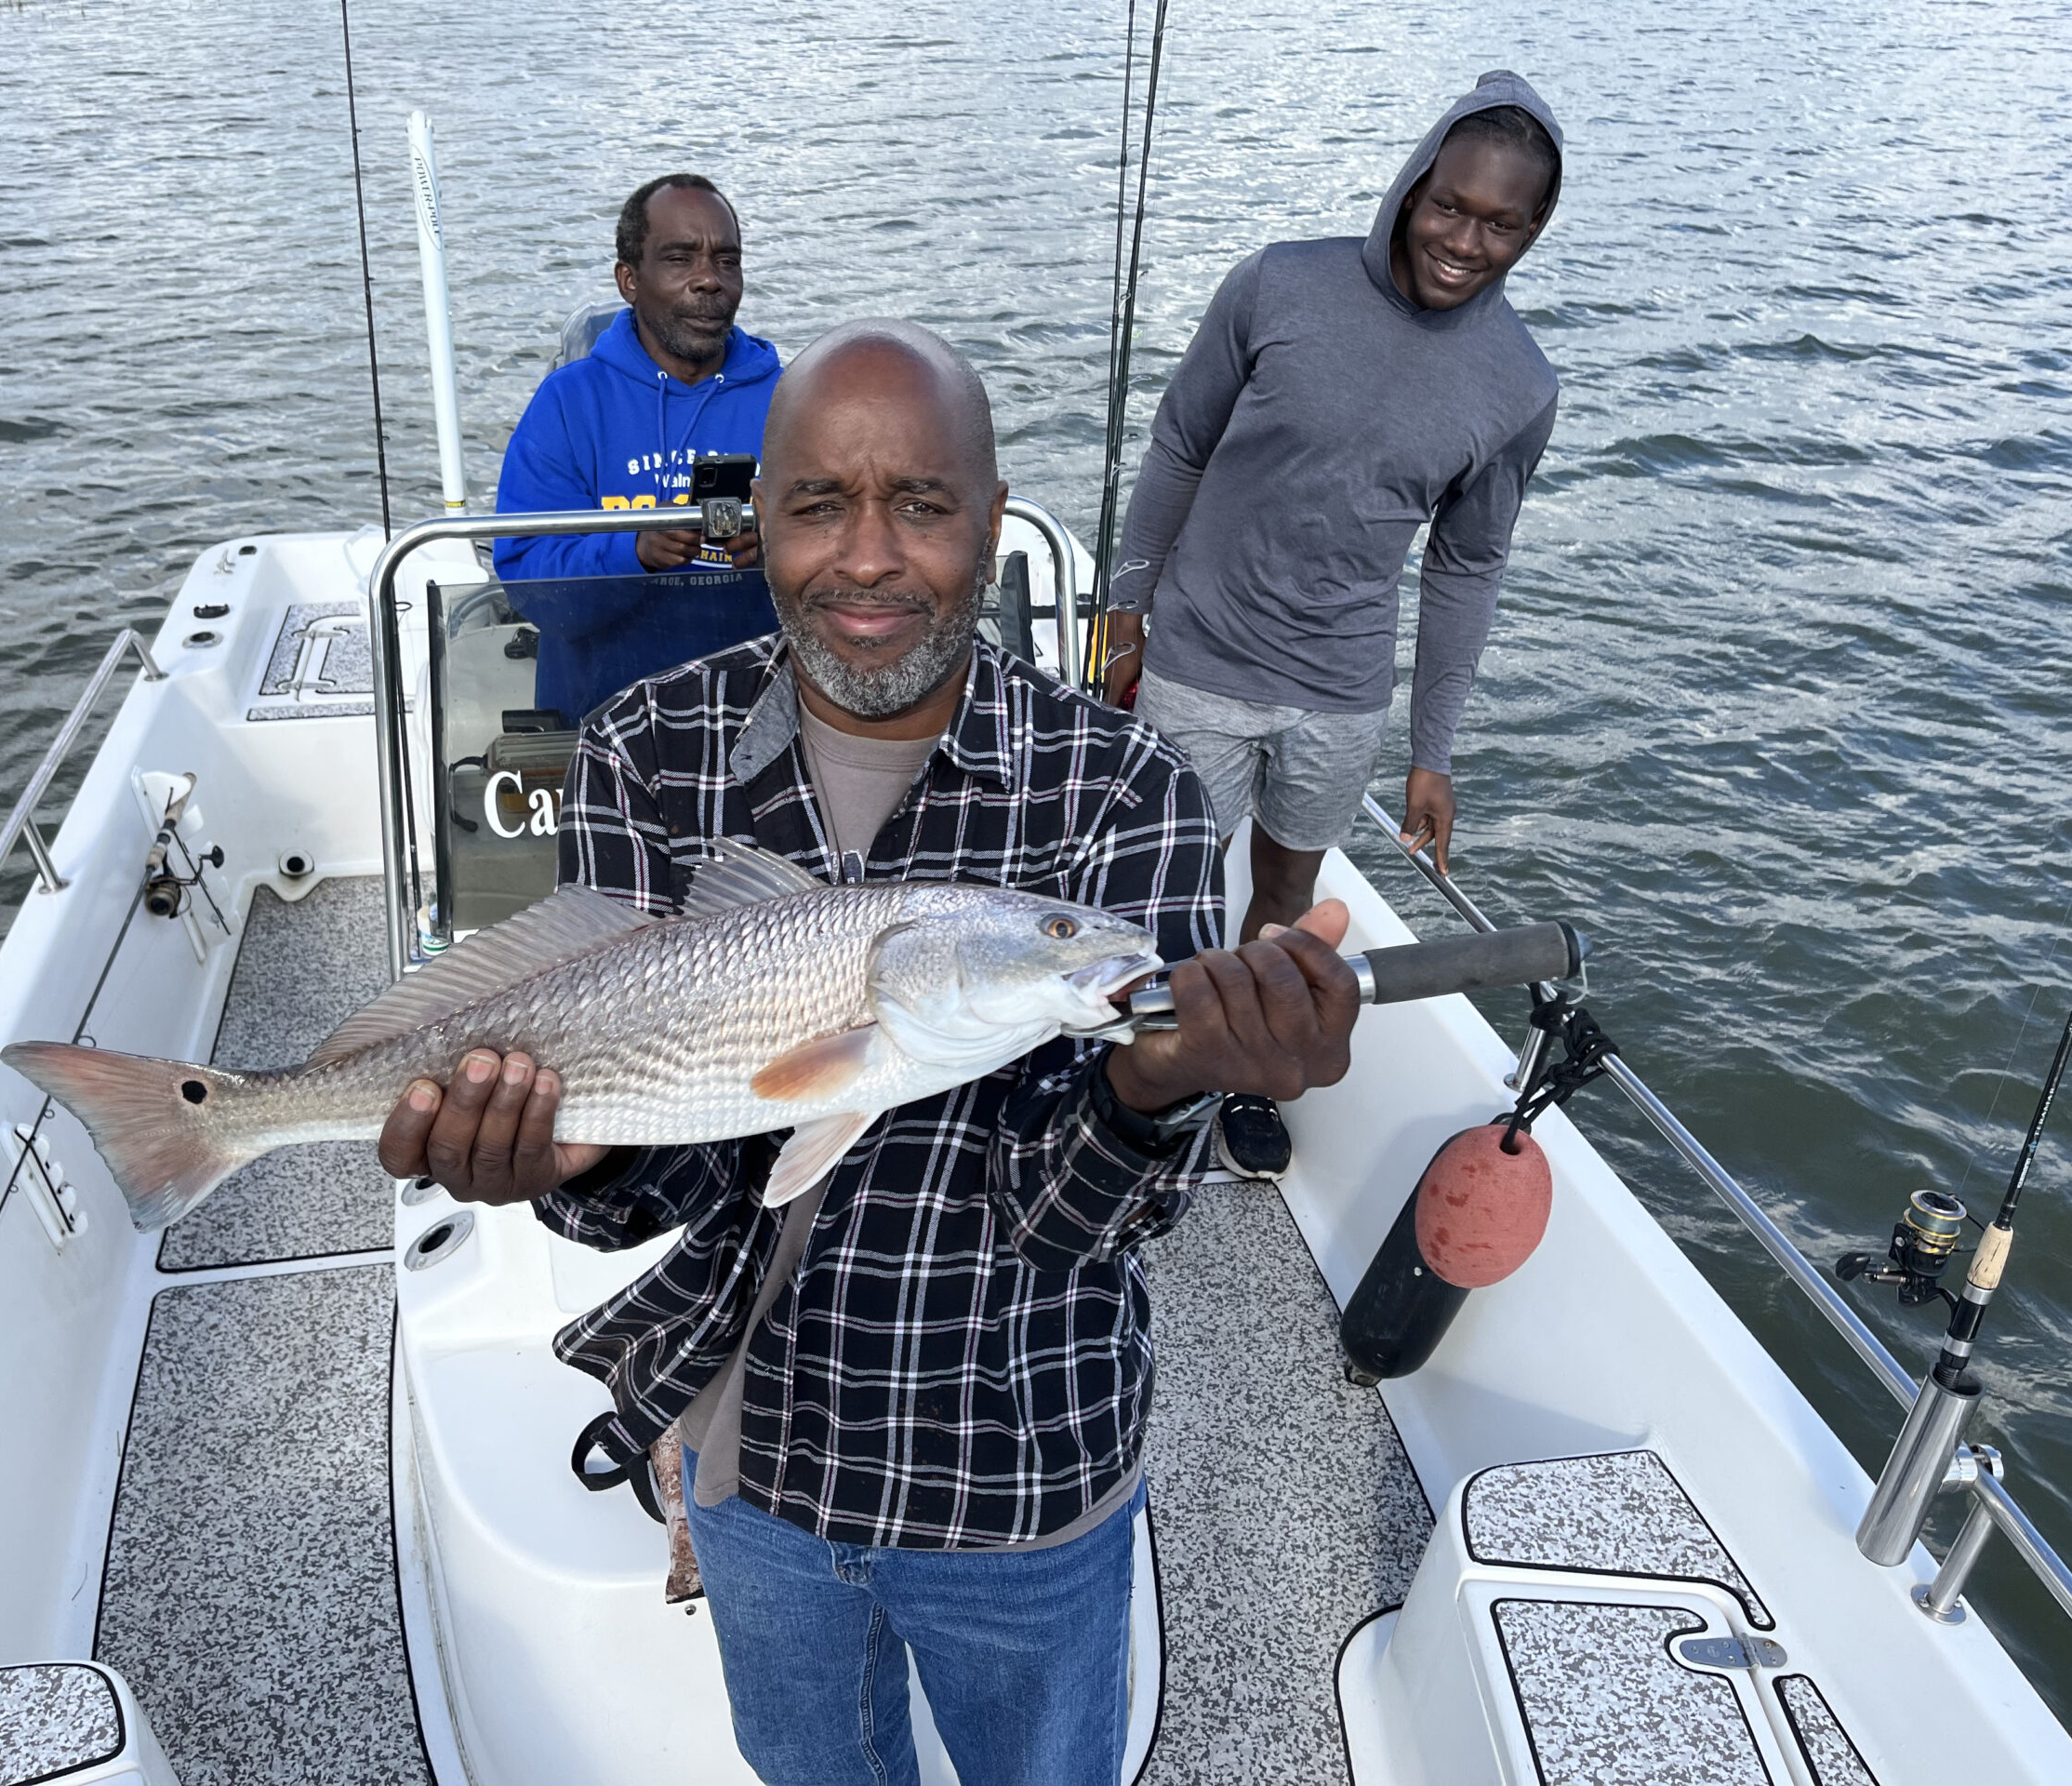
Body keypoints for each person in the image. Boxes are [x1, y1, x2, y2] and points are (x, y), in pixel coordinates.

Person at [380, 321, 1361, 1785]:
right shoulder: (652, 748)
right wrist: (551, 1165)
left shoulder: (1123, 788)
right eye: (818, 505)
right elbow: (638, 1191)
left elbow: (1082, 1222)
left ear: (990, 515)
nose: (869, 560)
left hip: (1017, 1465)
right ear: (757, 521)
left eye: (923, 504)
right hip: (746, 1455)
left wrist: (1163, 1082)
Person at [1099, 71, 1564, 1184]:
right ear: (1412, 188)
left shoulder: (1521, 385)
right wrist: (1124, 608)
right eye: (1449, 205)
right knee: (1160, 889)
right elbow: (1177, 446)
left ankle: (1241, 1079)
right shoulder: (1278, 285)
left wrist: (1431, 754)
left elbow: (1468, 564)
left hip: (1339, 693)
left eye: (1501, 223)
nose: (1465, 239)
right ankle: (1136, 1091)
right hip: (1199, 659)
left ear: (1533, 229)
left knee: (1286, 898)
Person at [490, 173, 781, 723]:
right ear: (629, 279)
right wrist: (634, 553)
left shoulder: (794, 401)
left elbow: (847, 559)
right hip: (603, 727)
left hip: (758, 720)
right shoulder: (569, 402)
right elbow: (528, 580)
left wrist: (779, 553)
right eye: (679, 258)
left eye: (726, 260)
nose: (708, 280)